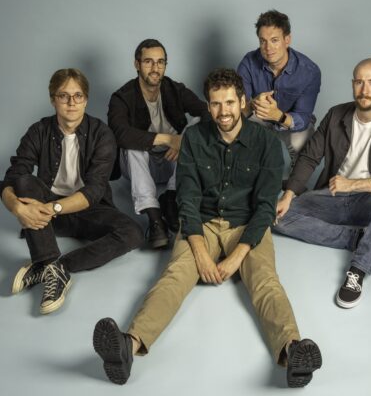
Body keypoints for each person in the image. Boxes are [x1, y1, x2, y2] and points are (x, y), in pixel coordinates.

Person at [93, 69, 322, 387]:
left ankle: (293, 352)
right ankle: (127, 347)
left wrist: (236, 258)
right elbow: (187, 199)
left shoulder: (268, 144)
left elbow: (265, 208)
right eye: (215, 104)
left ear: (242, 102)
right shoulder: (194, 138)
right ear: (208, 105)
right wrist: (200, 254)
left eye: (229, 102)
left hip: (247, 225)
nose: (223, 111)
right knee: (174, 277)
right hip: (200, 224)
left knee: (266, 283)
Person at [274, 58, 371, 309]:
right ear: (352, 84)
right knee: (274, 215)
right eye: (359, 82)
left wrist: (353, 185)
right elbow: (309, 157)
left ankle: (359, 268)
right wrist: (288, 195)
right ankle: (359, 238)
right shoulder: (336, 115)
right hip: (333, 196)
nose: (364, 90)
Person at [0, 68, 143, 314]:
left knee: (133, 233)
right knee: (24, 182)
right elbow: (11, 177)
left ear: (86, 99)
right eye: (64, 96)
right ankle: (48, 261)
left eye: (78, 96)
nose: (71, 102)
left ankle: (55, 266)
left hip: (87, 209)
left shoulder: (102, 134)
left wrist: (52, 208)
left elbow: (95, 190)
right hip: (49, 216)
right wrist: (17, 207)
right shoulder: (38, 131)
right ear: (53, 99)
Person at [108, 39, 210, 248]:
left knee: (197, 124)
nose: (155, 68)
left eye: (160, 62)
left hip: (175, 163)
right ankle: (155, 219)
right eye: (148, 62)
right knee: (131, 146)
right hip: (140, 166)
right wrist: (170, 139)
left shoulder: (175, 89)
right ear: (137, 64)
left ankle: (171, 198)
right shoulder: (122, 97)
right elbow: (119, 133)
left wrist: (185, 141)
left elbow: (207, 113)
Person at [237, 10, 321, 166]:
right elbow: (239, 111)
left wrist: (279, 116)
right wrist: (253, 104)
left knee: (301, 144)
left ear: (287, 40)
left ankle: (295, 182)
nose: (268, 48)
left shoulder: (310, 71)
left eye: (274, 40)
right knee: (235, 133)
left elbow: (303, 117)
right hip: (259, 119)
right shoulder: (248, 62)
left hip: (289, 122)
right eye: (263, 41)